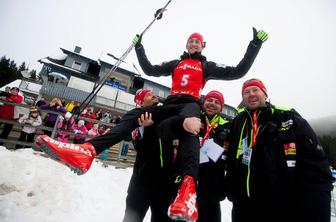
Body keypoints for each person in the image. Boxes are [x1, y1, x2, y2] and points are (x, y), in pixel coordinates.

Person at [36, 29, 268, 221]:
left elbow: (238, 71)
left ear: (202, 46)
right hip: (170, 103)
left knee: (191, 126)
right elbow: (148, 70)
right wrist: (139, 47)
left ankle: (188, 188)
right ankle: (89, 150)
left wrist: (254, 45)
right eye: (190, 41)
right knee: (135, 114)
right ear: (187, 45)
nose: (194, 44)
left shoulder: (207, 67)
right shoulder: (175, 63)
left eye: (197, 41)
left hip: (189, 104)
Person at [226, 78, 334, 222]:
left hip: (279, 205)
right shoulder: (238, 122)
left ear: (265, 94)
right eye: (246, 92)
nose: (251, 94)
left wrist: (316, 206)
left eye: (255, 90)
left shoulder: (287, 116)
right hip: (243, 206)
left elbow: (316, 164)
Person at [159, 90, 231, 222]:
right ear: (203, 102)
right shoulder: (192, 117)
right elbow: (163, 130)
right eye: (209, 100)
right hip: (186, 186)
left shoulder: (228, 126)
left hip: (212, 188)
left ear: (221, 107)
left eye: (217, 102)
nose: (212, 104)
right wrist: (182, 122)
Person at [123, 89, 174, 222]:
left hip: (165, 181)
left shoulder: (165, 114)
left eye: (153, 93)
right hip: (142, 181)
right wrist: (143, 128)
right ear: (141, 102)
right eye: (148, 95)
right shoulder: (137, 118)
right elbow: (137, 144)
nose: (154, 95)